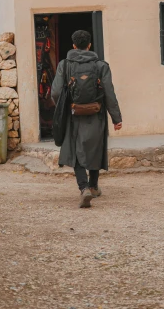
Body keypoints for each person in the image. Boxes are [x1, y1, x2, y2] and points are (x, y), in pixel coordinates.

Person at [51, 29, 122, 208]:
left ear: (73, 46)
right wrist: (116, 118)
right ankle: (93, 186)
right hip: (96, 114)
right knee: (95, 148)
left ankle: (84, 189)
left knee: (76, 152)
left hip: (73, 115)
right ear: (89, 45)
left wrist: (64, 107)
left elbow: (56, 91)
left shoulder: (64, 65)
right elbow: (109, 93)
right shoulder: (101, 66)